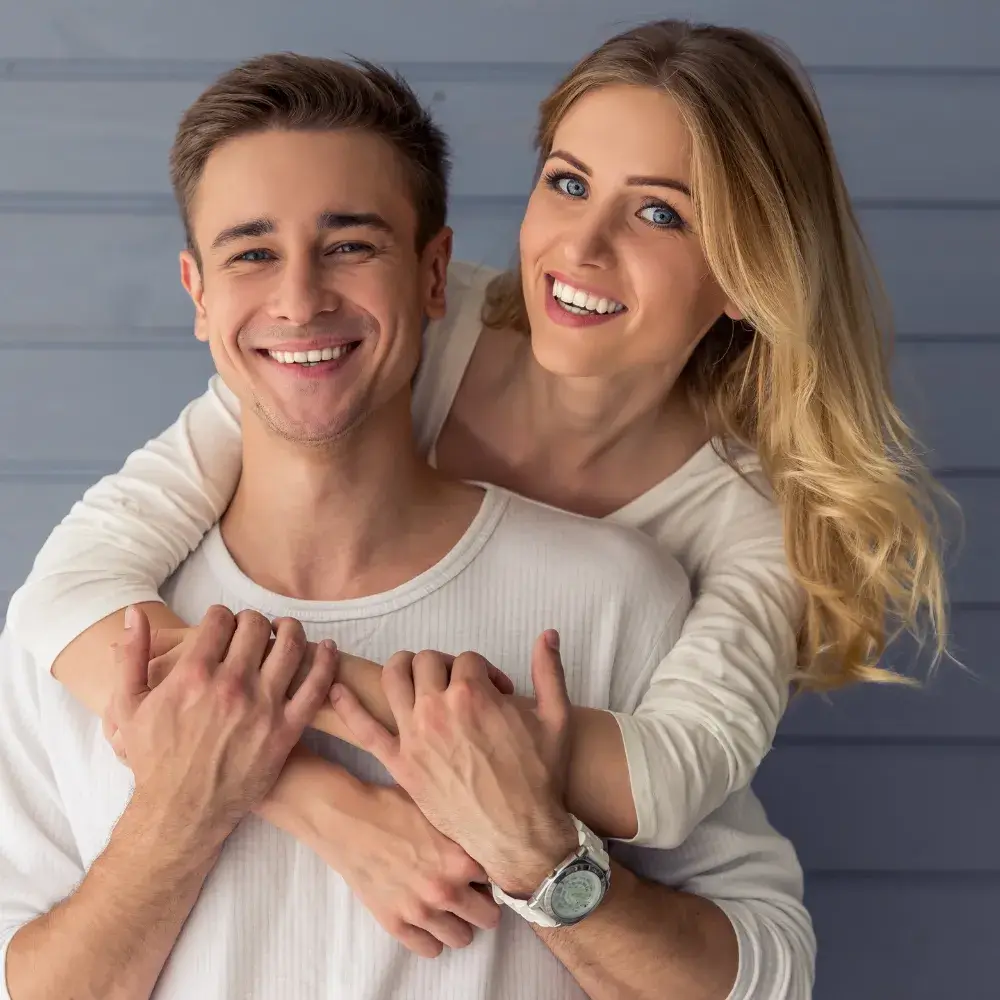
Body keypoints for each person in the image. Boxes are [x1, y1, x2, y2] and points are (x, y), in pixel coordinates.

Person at [6, 21, 950, 869]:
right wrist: (321, 801)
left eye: (659, 212)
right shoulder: (403, 319)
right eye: (568, 183)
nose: (581, 246)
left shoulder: (747, 523)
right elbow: (67, 598)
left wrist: (368, 701)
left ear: (750, 274)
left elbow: (663, 784)